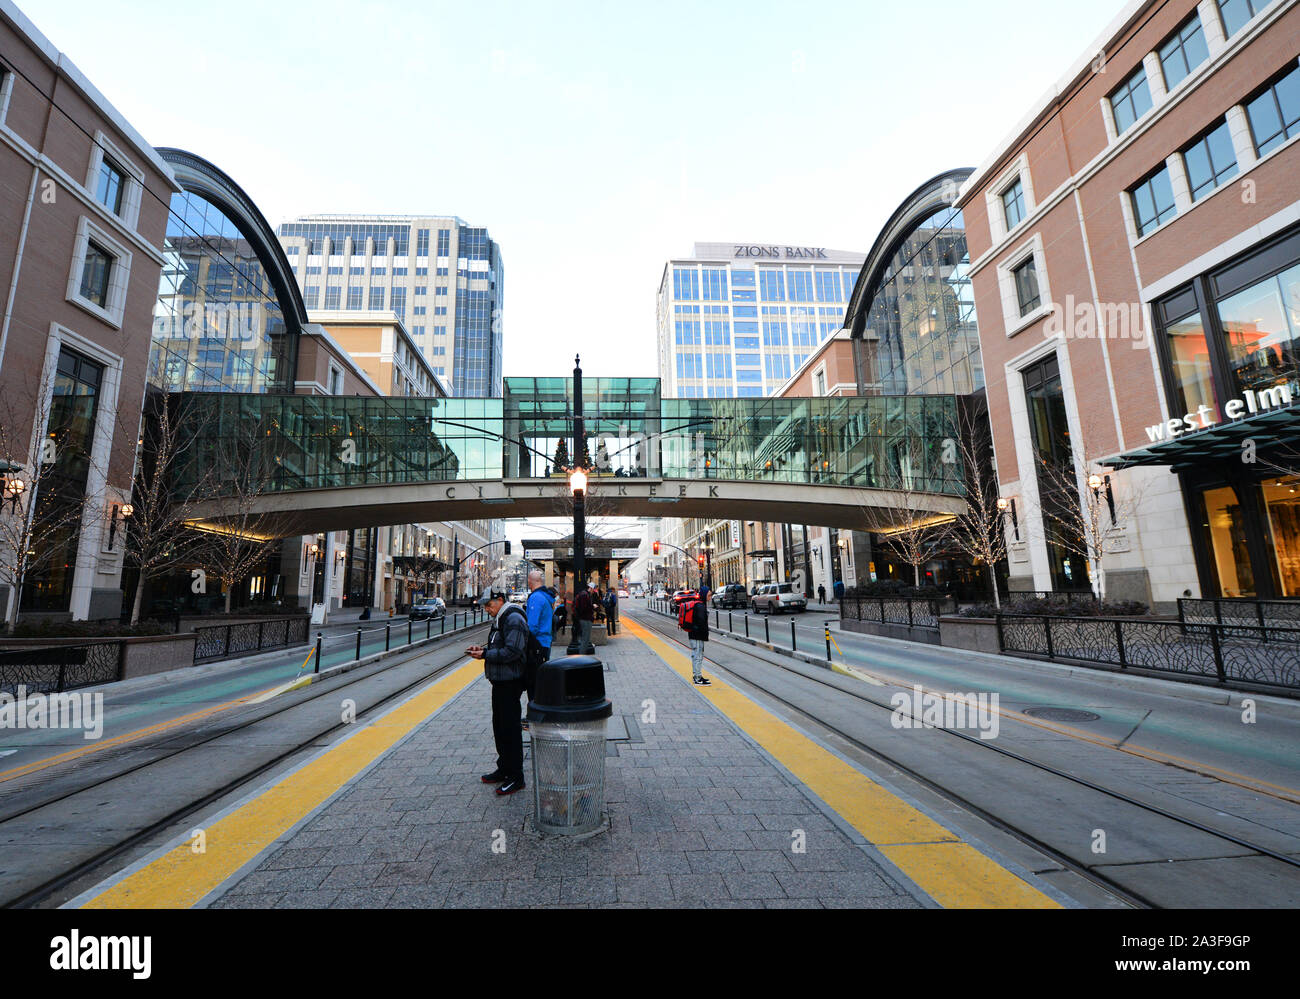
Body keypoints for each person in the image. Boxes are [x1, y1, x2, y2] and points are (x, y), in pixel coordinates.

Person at [466, 588, 529, 796]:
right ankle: (504, 768)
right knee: (500, 727)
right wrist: (482, 650)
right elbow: (499, 645)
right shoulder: (501, 617)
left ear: (500, 600)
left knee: (510, 729)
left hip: (510, 681)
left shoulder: (513, 619)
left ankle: (516, 777)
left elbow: (513, 651)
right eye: (484, 606)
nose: (487, 609)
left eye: (489, 605)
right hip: (500, 681)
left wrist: (485, 654)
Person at [523, 569, 554, 729]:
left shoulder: (535, 598)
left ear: (530, 581)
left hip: (536, 646)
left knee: (533, 683)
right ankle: (537, 714)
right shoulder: (547, 598)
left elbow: (531, 626)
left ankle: (535, 717)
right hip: (545, 643)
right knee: (538, 682)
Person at [683, 583, 711, 685]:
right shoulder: (700, 606)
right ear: (703, 595)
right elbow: (701, 623)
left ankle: (697, 675)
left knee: (696, 655)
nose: (710, 597)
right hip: (697, 636)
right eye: (709, 595)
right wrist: (705, 635)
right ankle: (698, 678)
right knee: (698, 656)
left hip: (694, 635)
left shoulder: (698, 604)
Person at [574, 585, 594, 651]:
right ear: (590, 588)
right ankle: (581, 655)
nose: (593, 591)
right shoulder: (584, 595)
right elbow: (584, 608)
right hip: (585, 619)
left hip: (583, 618)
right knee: (585, 638)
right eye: (593, 589)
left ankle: (582, 654)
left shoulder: (583, 594)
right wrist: (592, 606)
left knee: (584, 638)